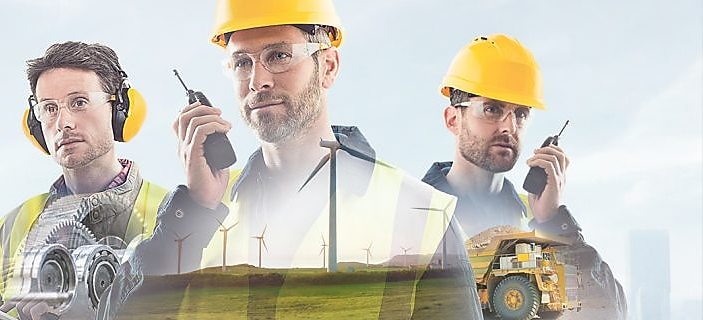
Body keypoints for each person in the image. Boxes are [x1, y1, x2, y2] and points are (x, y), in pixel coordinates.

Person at [116, 0, 484, 318]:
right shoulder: (202, 207)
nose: (258, 80)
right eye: (242, 63)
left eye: (278, 55)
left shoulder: (419, 214)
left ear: (328, 67)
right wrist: (194, 208)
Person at [0, 41, 170, 320]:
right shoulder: (8, 230)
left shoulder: (177, 213)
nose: (63, 122)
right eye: (49, 108)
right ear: (35, 126)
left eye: (79, 102)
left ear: (120, 109)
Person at [422, 33, 627, 319]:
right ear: (453, 119)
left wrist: (553, 220)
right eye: (492, 109)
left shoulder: (538, 218)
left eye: (520, 113)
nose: (509, 126)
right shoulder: (412, 211)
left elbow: (607, 313)